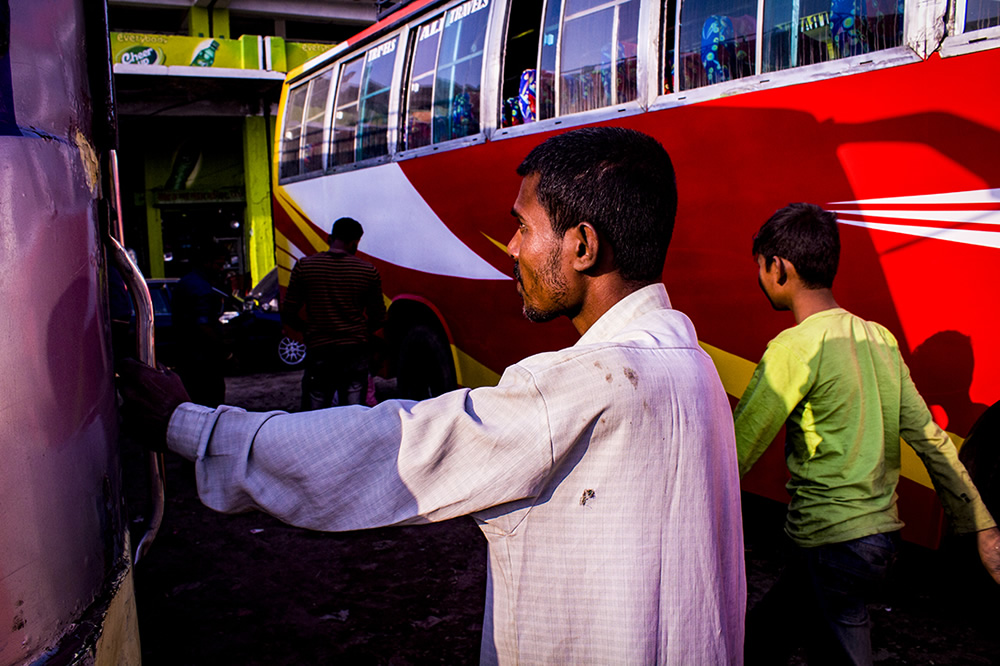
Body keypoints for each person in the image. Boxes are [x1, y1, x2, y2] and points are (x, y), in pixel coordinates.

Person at [119, 127, 746, 664]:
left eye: (523, 227)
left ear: (581, 245)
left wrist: (190, 425)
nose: (514, 249)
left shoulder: (581, 387)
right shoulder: (692, 367)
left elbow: (387, 447)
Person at [733, 203, 1000, 665]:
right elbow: (930, 440)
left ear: (779, 268)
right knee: (760, 640)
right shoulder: (879, 339)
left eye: (760, 266)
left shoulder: (795, 346)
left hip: (831, 543)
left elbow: (739, 447)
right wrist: (981, 524)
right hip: (876, 543)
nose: (759, 277)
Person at [281, 217, 386, 409]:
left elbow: (288, 311)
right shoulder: (367, 271)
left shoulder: (305, 267)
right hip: (355, 351)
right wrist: (360, 332)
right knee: (353, 413)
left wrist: (309, 330)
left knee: (316, 413)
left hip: (320, 351)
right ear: (356, 242)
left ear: (330, 237)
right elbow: (379, 316)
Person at [171, 244, 229, 407]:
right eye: (218, 264)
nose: (221, 268)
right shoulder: (200, 287)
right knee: (209, 400)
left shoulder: (188, 282)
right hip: (201, 359)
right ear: (207, 262)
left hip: (189, 356)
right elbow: (202, 324)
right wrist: (224, 349)